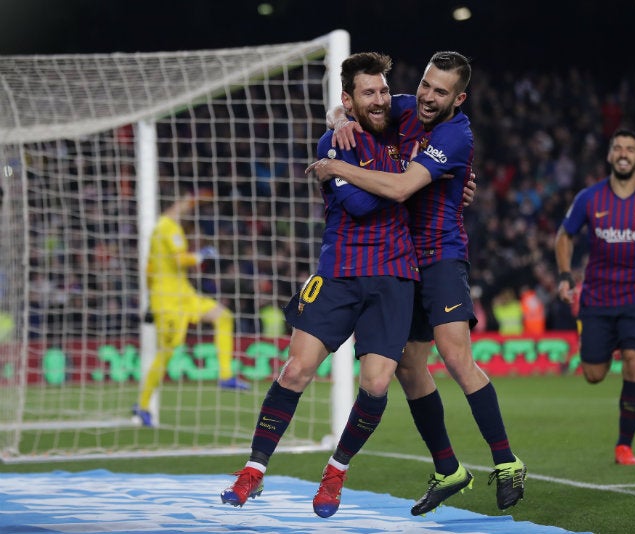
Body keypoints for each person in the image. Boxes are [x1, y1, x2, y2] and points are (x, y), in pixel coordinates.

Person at [308, 51, 526, 512]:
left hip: (442, 256)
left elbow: (405, 188)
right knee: (408, 366)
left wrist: (337, 167)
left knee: (455, 355)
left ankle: (506, 462)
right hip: (401, 259)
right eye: (426, 84)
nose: (427, 97)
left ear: (458, 98)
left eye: (440, 91)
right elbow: (364, 106)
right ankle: (448, 469)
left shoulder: (454, 133)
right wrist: (339, 117)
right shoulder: (406, 105)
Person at [220, 52, 420, 518]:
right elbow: (363, 208)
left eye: (384, 90)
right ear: (348, 101)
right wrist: (400, 180)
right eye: (368, 93)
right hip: (339, 272)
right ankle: (253, 469)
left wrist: (352, 170)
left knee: (375, 384)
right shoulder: (331, 138)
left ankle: (335, 472)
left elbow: (433, 107)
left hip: (394, 275)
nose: (380, 99)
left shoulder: (404, 120)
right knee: (295, 371)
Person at [554, 127, 635, 465]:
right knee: (593, 374)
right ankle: (608, 341)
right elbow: (564, 236)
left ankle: (624, 446)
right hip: (597, 298)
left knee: (634, 362)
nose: (624, 153)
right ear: (610, 156)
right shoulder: (589, 198)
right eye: (618, 148)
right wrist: (566, 274)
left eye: (631, 148)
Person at [132, 189, 249, 427]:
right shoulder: (168, 226)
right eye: (184, 203)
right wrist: (200, 255)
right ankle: (143, 405)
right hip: (169, 302)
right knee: (166, 353)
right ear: (174, 204)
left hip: (182, 295)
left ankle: (225, 376)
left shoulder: (159, 230)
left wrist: (148, 301)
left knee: (223, 316)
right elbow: (179, 259)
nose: (188, 207)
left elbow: (149, 270)